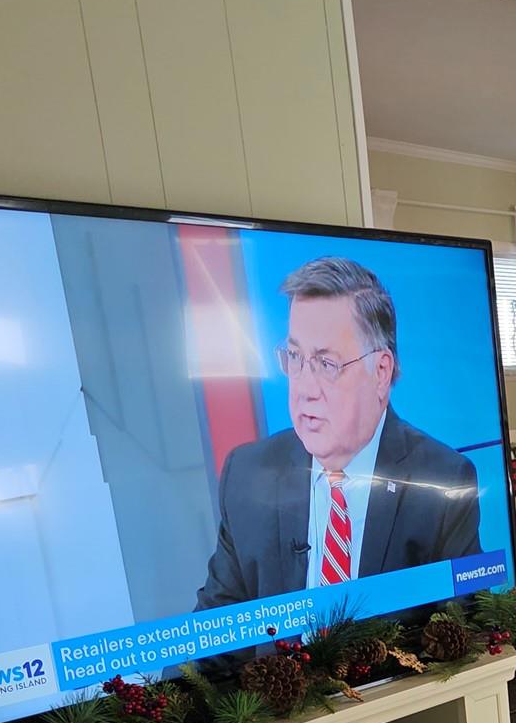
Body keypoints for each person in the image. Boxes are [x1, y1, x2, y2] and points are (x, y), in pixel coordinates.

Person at [196, 257, 480, 610]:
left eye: (326, 363)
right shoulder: (246, 474)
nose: (305, 388)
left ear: (380, 372)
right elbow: (216, 626)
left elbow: (467, 627)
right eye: (295, 357)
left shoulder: (443, 482)